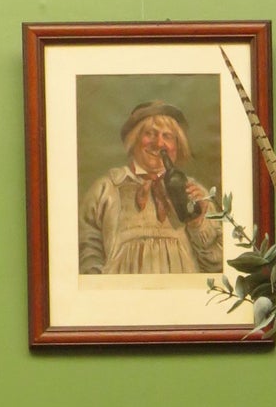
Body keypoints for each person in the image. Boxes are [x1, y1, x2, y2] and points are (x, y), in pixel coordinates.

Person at [78, 102, 223, 276]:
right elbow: (86, 250)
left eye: (167, 136)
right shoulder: (106, 188)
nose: (159, 143)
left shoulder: (194, 193)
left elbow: (217, 266)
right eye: (150, 134)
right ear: (134, 140)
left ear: (177, 145)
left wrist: (198, 224)